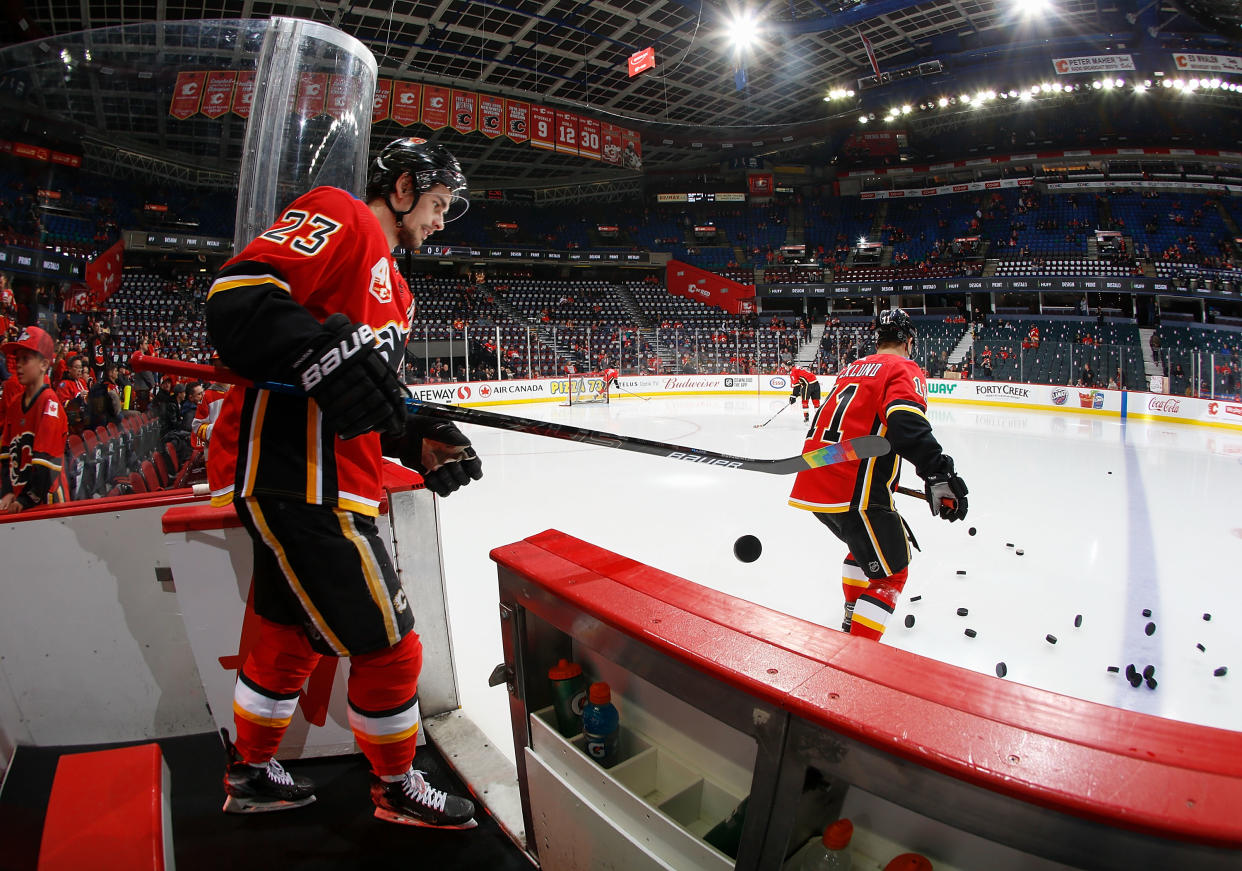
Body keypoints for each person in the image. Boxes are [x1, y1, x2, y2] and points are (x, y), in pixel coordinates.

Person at [204, 137, 483, 828]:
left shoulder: (399, 286)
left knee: (286, 633)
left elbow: (358, 395)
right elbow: (237, 296)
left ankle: (251, 772)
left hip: (336, 480)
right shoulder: (341, 214)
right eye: (438, 203)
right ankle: (395, 785)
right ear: (403, 187)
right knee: (392, 643)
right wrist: (314, 348)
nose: (440, 221)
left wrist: (416, 436)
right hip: (298, 478)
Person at [788, 309, 967, 640]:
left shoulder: (852, 368)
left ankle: (851, 616)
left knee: (862, 548)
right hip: (855, 492)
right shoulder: (903, 368)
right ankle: (857, 659)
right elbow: (905, 424)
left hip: (816, 481)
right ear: (908, 341)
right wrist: (938, 473)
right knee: (892, 575)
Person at [1, 326, 68, 512]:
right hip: (19, 498)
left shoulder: (49, 403)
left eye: (26, 359)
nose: (18, 365)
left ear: (44, 364)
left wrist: (24, 500)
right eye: (17, 358)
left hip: (46, 500)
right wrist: (6, 492)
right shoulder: (15, 403)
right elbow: (6, 452)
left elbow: (46, 466)